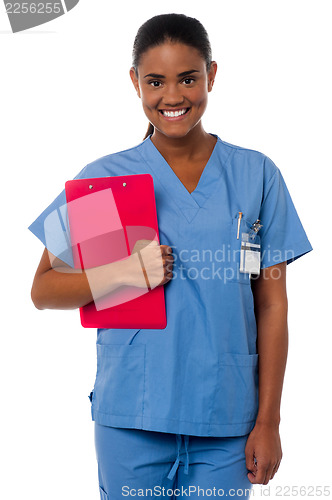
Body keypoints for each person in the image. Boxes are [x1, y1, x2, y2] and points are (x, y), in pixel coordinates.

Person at [28, 13, 313, 499]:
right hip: (132, 417)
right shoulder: (109, 181)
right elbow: (44, 290)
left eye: (189, 78)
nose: (174, 96)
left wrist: (269, 420)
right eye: (156, 81)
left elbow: (271, 304)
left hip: (227, 420)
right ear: (135, 82)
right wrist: (125, 272)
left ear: (212, 75)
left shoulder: (256, 175)